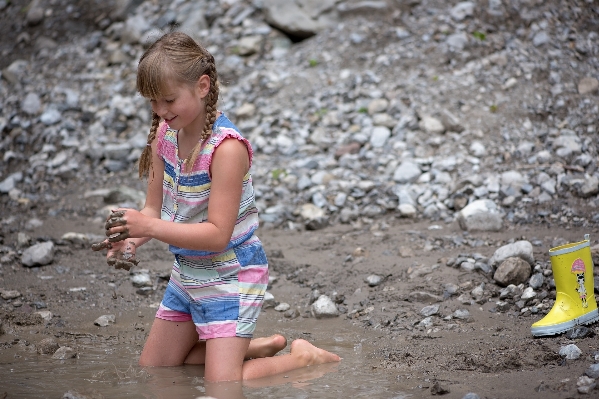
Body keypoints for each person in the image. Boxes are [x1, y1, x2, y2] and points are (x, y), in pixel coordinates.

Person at [92, 31, 340, 382]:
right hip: (188, 274)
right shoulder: (163, 136)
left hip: (230, 275)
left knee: (224, 384)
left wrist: (149, 228)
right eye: (152, 102)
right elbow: (152, 211)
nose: (160, 112)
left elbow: (218, 235)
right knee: (157, 369)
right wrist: (131, 238)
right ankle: (247, 346)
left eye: (168, 100)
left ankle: (302, 358)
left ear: (203, 86)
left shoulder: (226, 150)